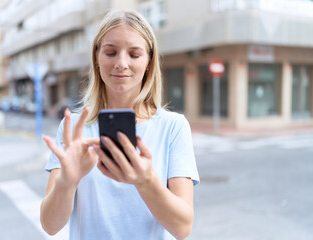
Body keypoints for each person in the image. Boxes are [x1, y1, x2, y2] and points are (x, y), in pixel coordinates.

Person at [40, 9, 199, 240]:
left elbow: (182, 228)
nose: (121, 63)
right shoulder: (74, 127)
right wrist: (67, 181)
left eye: (134, 54)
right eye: (111, 52)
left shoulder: (173, 127)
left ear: (149, 62)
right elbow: (50, 225)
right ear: (96, 57)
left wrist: (145, 181)